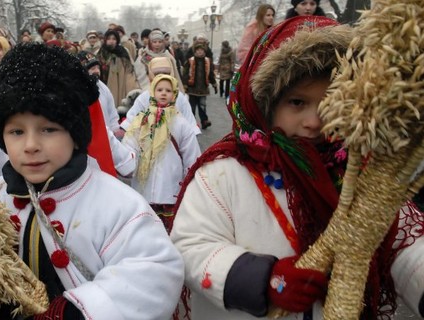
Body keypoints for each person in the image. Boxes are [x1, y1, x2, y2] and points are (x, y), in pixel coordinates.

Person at [170, 16, 424, 319]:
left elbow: (403, 246)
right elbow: (191, 245)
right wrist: (263, 280)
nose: (314, 121)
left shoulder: (360, 173)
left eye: (331, 102)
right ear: (266, 104)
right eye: (296, 102)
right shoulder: (224, 173)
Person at [0, 43, 184, 319]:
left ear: (75, 134)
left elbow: (155, 271)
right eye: (15, 131)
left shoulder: (118, 206)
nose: (30, 145)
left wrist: (75, 312)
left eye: (48, 129)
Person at [123, 74, 201, 233]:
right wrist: (127, 164)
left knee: (168, 231)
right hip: (143, 188)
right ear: (152, 92)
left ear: (175, 94)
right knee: (143, 231)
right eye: (159, 89)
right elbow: (130, 146)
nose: (163, 93)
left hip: (170, 189)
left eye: (168, 90)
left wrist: (190, 183)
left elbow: (191, 155)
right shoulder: (141, 121)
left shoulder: (180, 124)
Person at [120, 56, 200, 137]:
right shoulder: (144, 97)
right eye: (157, 74)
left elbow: (189, 120)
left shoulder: (179, 97)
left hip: (175, 140)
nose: (162, 77)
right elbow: (132, 119)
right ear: (151, 75)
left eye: (166, 73)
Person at [96, 29, 139, 108]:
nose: (111, 41)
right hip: (103, 85)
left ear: (117, 40)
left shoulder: (123, 52)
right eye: (109, 39)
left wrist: (131, 89)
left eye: (114, 39)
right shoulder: (100, 53)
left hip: (120, 86)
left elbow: (129, 71)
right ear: (105, 40)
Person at [182, 42, 217, 130]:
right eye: (198, 50)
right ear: (195, 52)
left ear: (204, 51)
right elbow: (185, 73)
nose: (200, 52)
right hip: (192, 89)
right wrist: (185, 84)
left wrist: (214, 84)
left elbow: (211, 74)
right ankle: (192, 122)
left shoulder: (208, 61)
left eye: (201, 50)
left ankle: (204, 121)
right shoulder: (190, 60)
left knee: (202, 106)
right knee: (192, 107)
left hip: (203, 89)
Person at [237, 4, 276, 68]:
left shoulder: (274, 30)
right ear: (261, 16)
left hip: (269, 67)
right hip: (254, 68)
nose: (271, 18)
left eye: (272, 15)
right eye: (268, 15)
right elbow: (243, 51)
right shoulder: (251, 30)